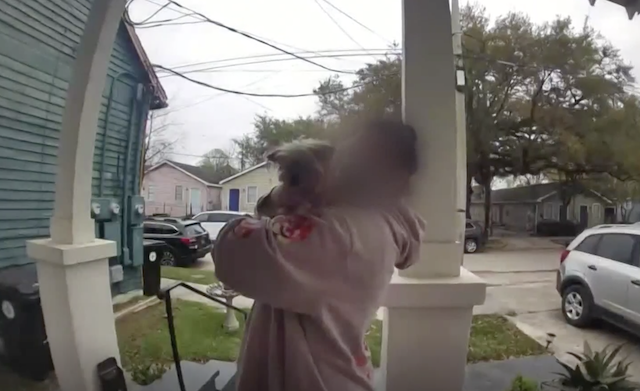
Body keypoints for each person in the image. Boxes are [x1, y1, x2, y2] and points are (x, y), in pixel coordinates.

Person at [213, 119, 425, 391]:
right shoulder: (375, 224)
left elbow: (232, 253)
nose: (347, 162)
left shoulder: (342, 234)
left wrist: (282, 200)